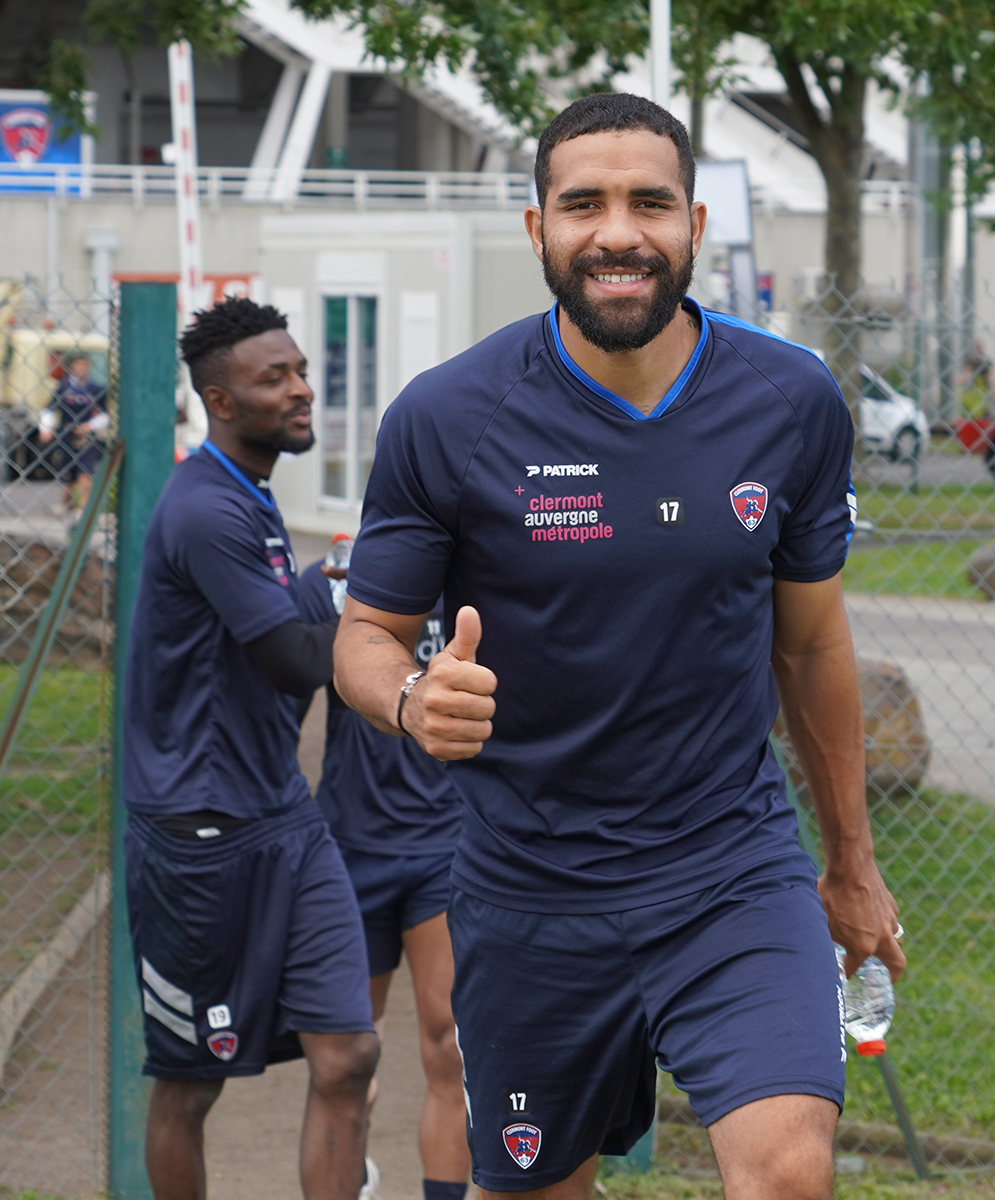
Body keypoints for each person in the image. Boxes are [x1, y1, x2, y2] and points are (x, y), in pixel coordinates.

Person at [332, 93, 904, 1200]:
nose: (617, 231)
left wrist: (849, 860)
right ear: (537, 229)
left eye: (649, 202)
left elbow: (813, 649)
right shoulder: (448, 417)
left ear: (693, 225)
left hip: (729, 873)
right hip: (530, 889)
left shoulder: (789, 400)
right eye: (582, 203)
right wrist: (410, 699)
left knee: (788, 1172)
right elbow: (364, 635)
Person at [122, 297, 379, 1200]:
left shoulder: (249, 495)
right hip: (199, 837)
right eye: (276, 379)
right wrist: (384, 617)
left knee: (347, 1054)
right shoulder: (205, 510)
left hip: (284, 819)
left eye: (302, 370)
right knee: (191, 1085)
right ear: (220, 403)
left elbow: (275, 619)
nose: (303, 390)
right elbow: (290, 661)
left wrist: (334, 581)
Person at [294, 556, 471, 1200]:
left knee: (450, 1044)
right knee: (345, 1055)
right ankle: (350, 1178)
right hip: (351, 845)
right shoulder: (336, 577)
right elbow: (282, 669)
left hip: (441, 847)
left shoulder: (481, 570)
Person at [39, 352, 107, 513]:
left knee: (86, 474)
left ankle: (82, 513)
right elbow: (49, 409)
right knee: (67, 480)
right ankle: (68, 511)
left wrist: (89, 426)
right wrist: (45, 429)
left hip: (87, 438)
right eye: (78, 365)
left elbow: (105, 414)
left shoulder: (96, 388)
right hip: (66, 436)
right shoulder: (64, 387)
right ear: (71, 367)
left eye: (84, 365)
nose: (81, 369)